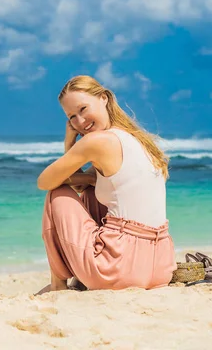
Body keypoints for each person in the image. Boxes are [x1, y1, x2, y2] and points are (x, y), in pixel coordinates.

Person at [36, 75, 176, 294]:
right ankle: (80, 280)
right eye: (72, 117)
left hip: (118, 269)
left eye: (83, 109)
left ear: (103, 98)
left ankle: (58, 285)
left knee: (57, 191)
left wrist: (69, 143)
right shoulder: (137, 139)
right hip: (161, 267)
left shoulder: (97, 141)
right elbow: (85, 186)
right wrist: (86, 179)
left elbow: (44, 181)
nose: (80, 122)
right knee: (92, 191)